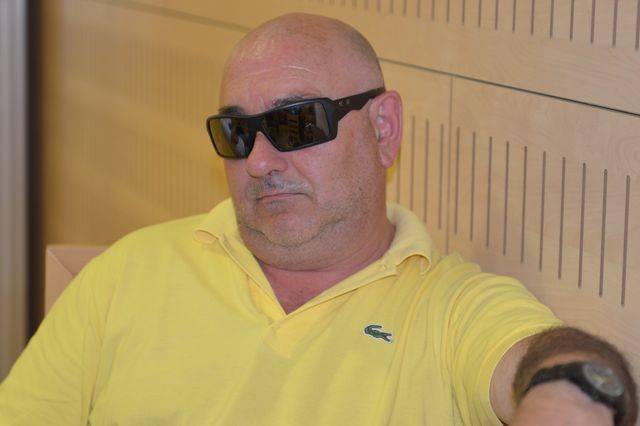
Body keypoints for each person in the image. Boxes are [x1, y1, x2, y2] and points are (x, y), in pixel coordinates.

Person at [0, 13, 637, 426]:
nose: (259, 161)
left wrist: (567, 395)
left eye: (297, 123)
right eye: (236, 132)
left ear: (383, 129)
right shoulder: (127, 272)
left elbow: (549, 356)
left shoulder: (450, 310)